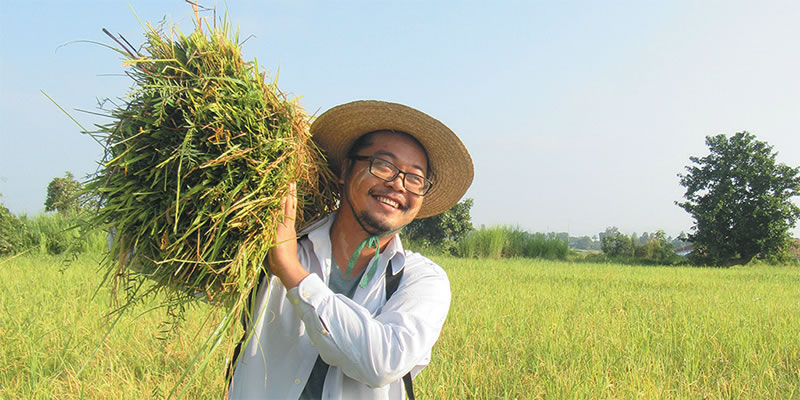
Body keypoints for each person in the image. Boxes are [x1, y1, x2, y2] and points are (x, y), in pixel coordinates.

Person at [228, 100, 473, 399]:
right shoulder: (270, 244)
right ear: (345, 169)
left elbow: (383, 363)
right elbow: (200, 276)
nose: (398, 184)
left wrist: (291, 272)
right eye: (383, 165)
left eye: (415, 178)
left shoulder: (421, 280)